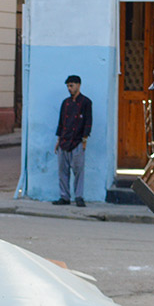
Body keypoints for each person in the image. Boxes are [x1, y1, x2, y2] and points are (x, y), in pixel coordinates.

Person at [53, 74, 92, 207]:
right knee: (62, 171)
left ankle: (79, 197)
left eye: (71, 86)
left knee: (78, 171)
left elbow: (88, 122)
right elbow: (61, 122)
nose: (69, 89)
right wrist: (58, 141)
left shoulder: (86, 102)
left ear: (78, 85)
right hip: (64, 141)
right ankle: (64, 197)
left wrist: (85, 140)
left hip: (77, 142)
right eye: (68, 86)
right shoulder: (66, 103)